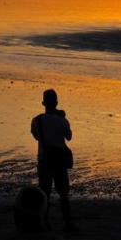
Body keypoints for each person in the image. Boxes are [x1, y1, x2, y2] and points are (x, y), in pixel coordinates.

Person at [30, 89, 74, 231]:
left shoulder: (36, 120)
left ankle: (43, 223)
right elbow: (69, 137)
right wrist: (61, 117)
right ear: (56, 102)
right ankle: (68, 224)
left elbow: (36, 136)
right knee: (63, 194)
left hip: (44, 160)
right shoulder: (62, 120)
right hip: (59, 160)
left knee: (44, 194)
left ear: (43, 103)